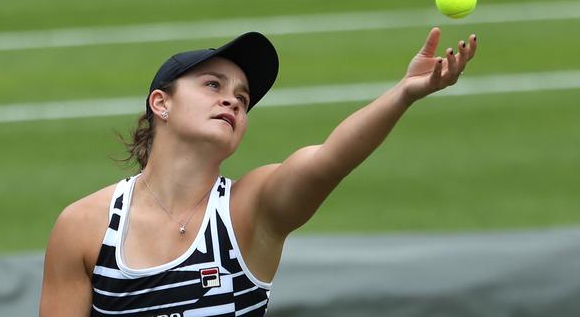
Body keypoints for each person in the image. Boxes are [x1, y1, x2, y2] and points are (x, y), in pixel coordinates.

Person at [40, 28, 477, 317]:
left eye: (243, 98)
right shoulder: (83, 227)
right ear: (161, 103)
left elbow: (330, 159)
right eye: (213, 85)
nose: (232, 101)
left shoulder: (250, 210)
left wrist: (403, 94)